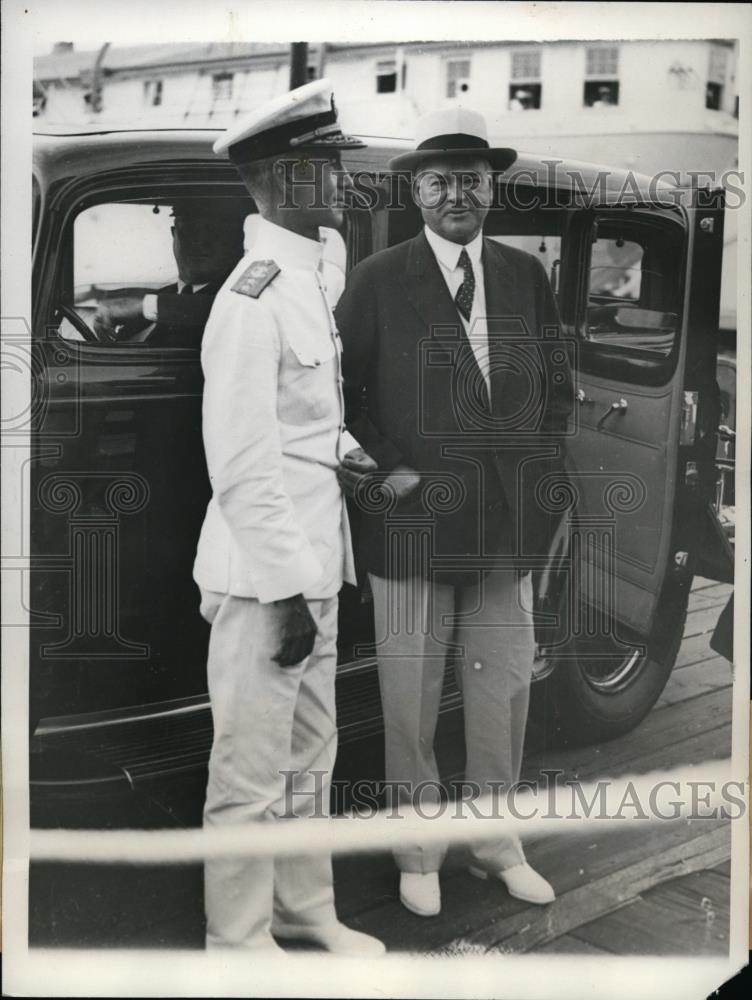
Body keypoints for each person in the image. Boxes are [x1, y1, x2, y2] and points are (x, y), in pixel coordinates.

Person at [335, 106, 573, 918]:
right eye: (440, 180)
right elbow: (344, 396)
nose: (457, 193)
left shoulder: (524, 275)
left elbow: (556, 394)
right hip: (409, 529)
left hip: (506, 528)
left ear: (490, 186)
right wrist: (395, 471)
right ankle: (418, 850)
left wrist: (540, 484)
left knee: (504, 687)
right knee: (408, 696)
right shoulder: (376, 278)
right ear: (417, 191)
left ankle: (496, 845)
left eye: (471, 178)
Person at [192, 78, 385, 957]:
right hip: (266, 573)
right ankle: (237, 945)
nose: (341, 179)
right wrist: (286, 592)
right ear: (279, 177)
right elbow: (239, 462)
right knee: (249, 770)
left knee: (312, 757)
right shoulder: (252, 297)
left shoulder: (310, 275)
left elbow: (304, 418)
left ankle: (305, 913)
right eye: (323, 165)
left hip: (318, 558)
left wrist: (350, 454)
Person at [92, 199, 246, 346]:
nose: (200, 241)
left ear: (235, 241)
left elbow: (227, 310)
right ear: (174, 234)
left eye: (213, 232)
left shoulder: (237, 300)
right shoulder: (159, 299)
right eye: (189, 230)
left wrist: (146, 306)